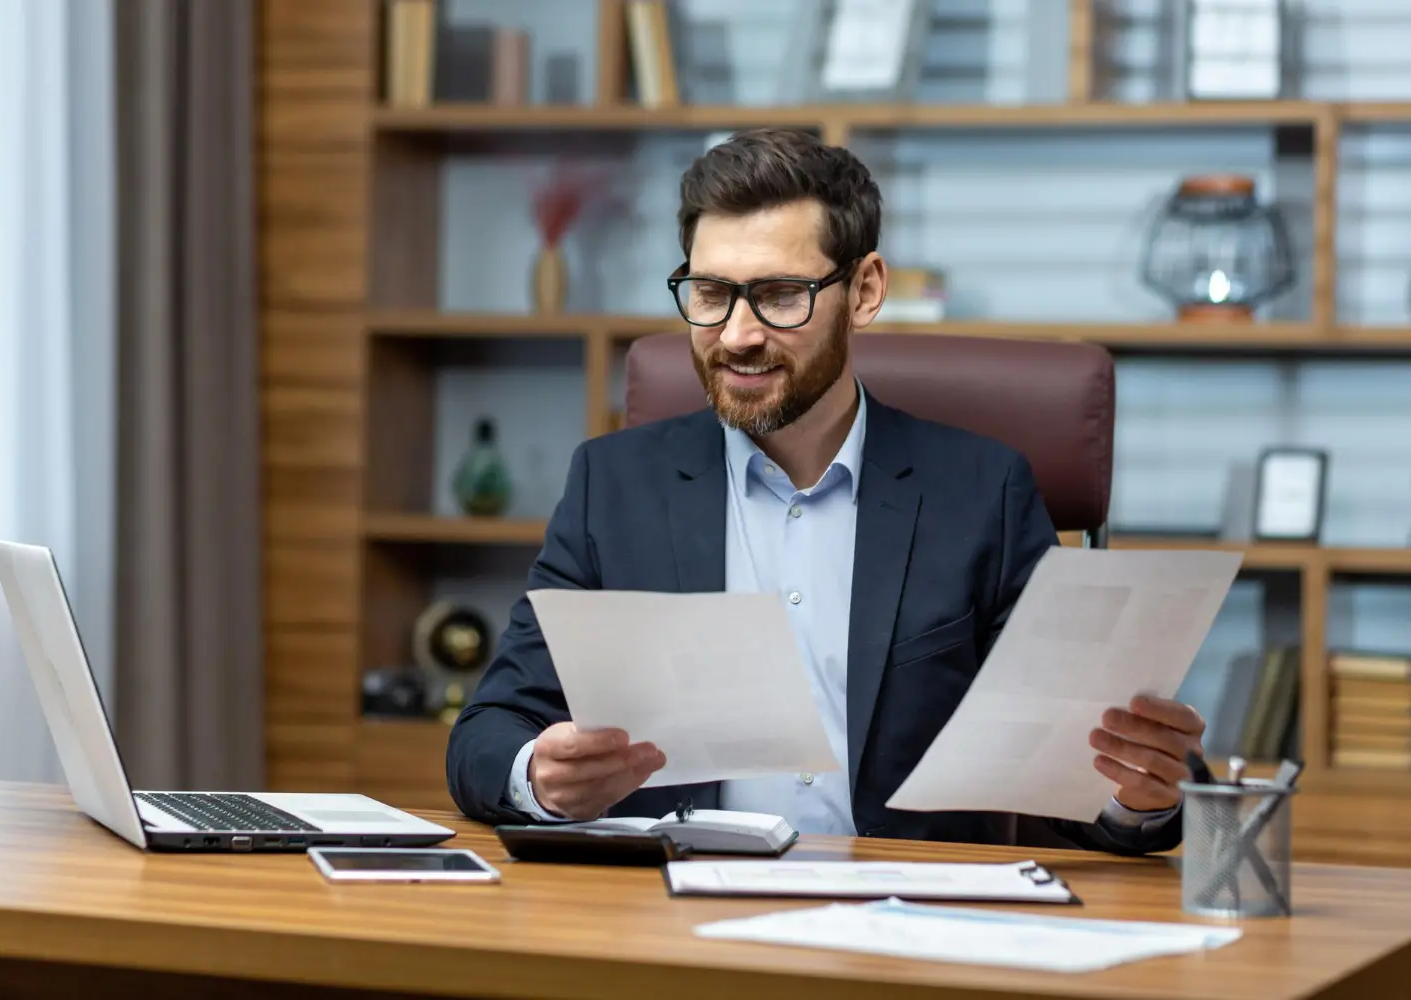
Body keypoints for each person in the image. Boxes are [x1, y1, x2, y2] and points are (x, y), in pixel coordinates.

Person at [445, 127, 1204, 854]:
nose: (738, 334)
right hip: (670, 917)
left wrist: (1136, 793)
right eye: (710, 293)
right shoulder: (613, 486)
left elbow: (1074, 776)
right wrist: (537, 776)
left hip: (904, 929)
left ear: (865, 291)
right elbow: (488, 733)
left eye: (778, 295)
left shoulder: (982, 494)